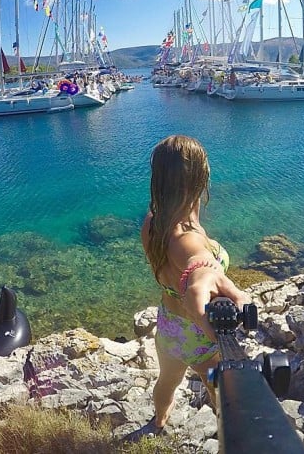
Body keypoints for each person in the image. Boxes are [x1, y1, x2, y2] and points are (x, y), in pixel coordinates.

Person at [124, 134, 251, 442]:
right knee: (217, 387)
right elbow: (198, 260)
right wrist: (204, 273)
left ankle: (158, 422)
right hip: (200, 336)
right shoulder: (186, 236)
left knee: (167, 381)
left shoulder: (152, 223)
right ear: (200, 177)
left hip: (169, 329)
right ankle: (229, 440)